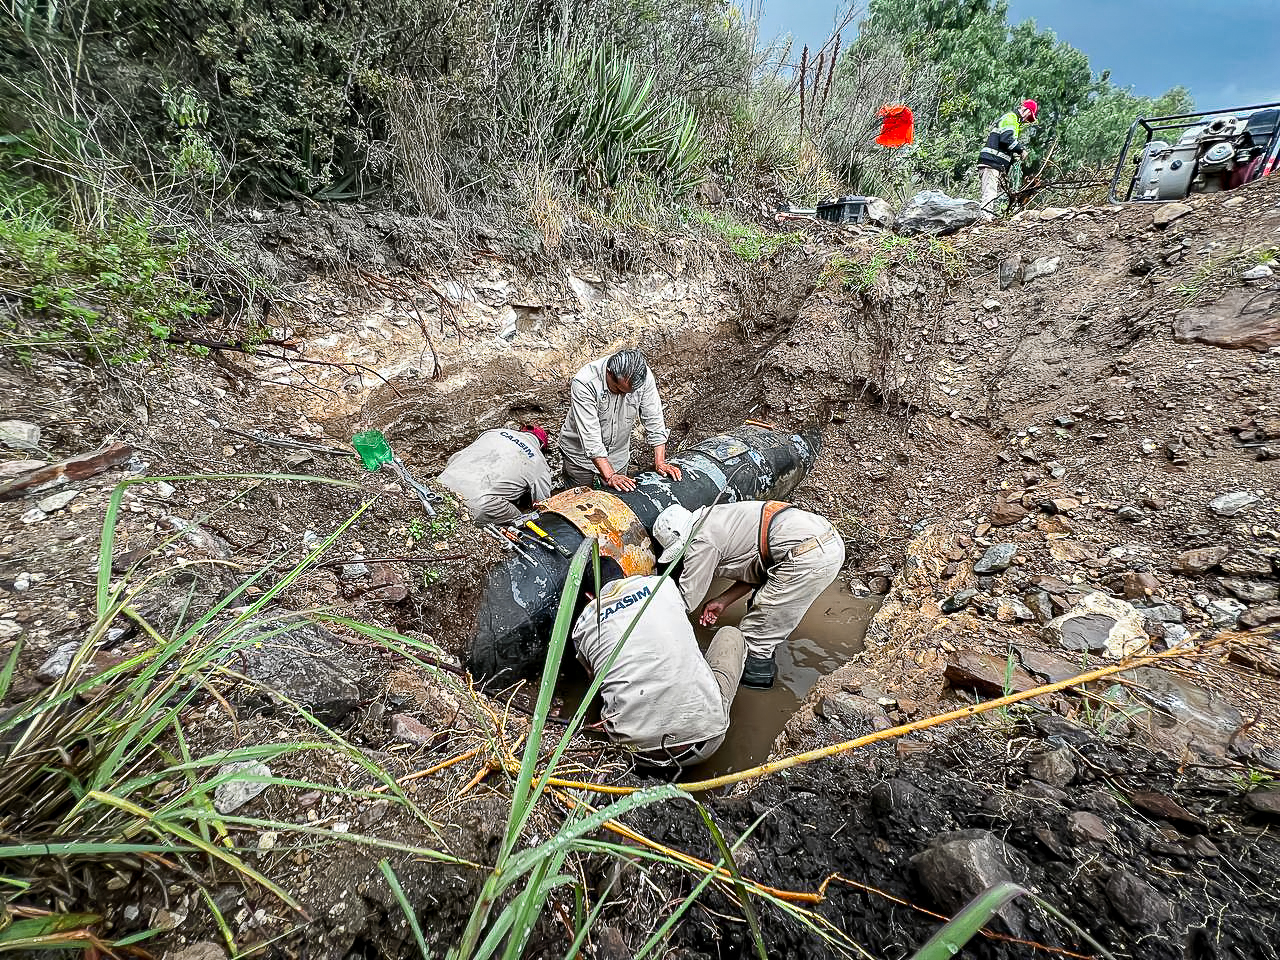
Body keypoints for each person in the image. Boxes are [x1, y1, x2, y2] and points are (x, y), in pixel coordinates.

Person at [652, 500, 844, 690]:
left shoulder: (701, 541)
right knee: (763, 614)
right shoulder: (716, 516)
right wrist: (723, 600)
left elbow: (685, 602)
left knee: (752, 637)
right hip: (825, 541)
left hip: (809, 555)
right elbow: (758, 568)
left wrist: (652, 621)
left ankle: (751, 683)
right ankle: (763, 659)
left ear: (680, 538)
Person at [571, 573, 745, 769]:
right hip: (704, 743)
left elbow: (595, 686)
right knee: (731, 634)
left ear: (589, 596)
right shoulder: (663, 586)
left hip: (632, 754)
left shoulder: (583, 626)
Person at [558, 349, 682, 491]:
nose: (623, 395)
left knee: (617, 498)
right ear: (609, 373)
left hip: (617, 456)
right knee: (579, 499)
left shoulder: (642, 375)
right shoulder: (585, 382)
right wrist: (610, 476)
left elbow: (654, 417)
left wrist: (660, 462)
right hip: (580, 458)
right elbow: (590, 437)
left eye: (628, 393)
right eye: (619, 390)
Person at [437, 425, 552, 525]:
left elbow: (454, 458)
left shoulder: (493, 432)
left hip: (441, 484)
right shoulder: (539, 461)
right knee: (524, 519)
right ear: (542, 446)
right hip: (478, 504)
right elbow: (543, 505)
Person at [977, 98, 1037, 220]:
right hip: (991, 163)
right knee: (990, 193)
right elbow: (1006, 139)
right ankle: (985, 219)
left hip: (994, 163)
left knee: (993, 192)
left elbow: (1005, 143)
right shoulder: (1011, 118)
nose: (1027, 120)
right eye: (1029, 116)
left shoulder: (1013, 120)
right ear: (1025, 110)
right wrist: (1021, 150)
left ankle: (988, 217)